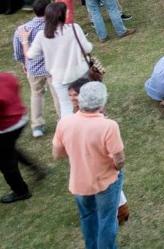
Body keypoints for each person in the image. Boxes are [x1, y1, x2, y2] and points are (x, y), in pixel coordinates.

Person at [52, 82, 125, 248]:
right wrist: (115, 168)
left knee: (87, 216)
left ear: (80, 101)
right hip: (106, 179)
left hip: (79, 180)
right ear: (102, 103)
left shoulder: (64, 123)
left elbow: (57, 154)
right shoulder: (109, 126)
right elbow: (119, 161)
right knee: (107, 218)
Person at [25, 2, 92, 119]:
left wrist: (24, 41)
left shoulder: (42, 35)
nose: (68, 12)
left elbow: (29, 55)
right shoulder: (74, 28)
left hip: (59, 77)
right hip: (80, 72)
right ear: (61, 15)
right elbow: (87, 48)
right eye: (66, 11)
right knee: (87, 101)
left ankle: (69, 130)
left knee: (66, 106)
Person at [12, 0, 60, 137]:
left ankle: (37, 126)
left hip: (33, 68)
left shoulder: (22, 29)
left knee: (36, 95)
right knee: (57, 95)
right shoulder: (54, 26)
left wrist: (23, 63)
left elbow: (18, 50)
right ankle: (63, 121)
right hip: (53, 67)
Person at [0, 63, 43, 204]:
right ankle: (35, 168)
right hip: (20, 119)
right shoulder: (7, 77)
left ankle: (21, 191)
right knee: (8, 149)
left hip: (6, 128)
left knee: (5, 163)